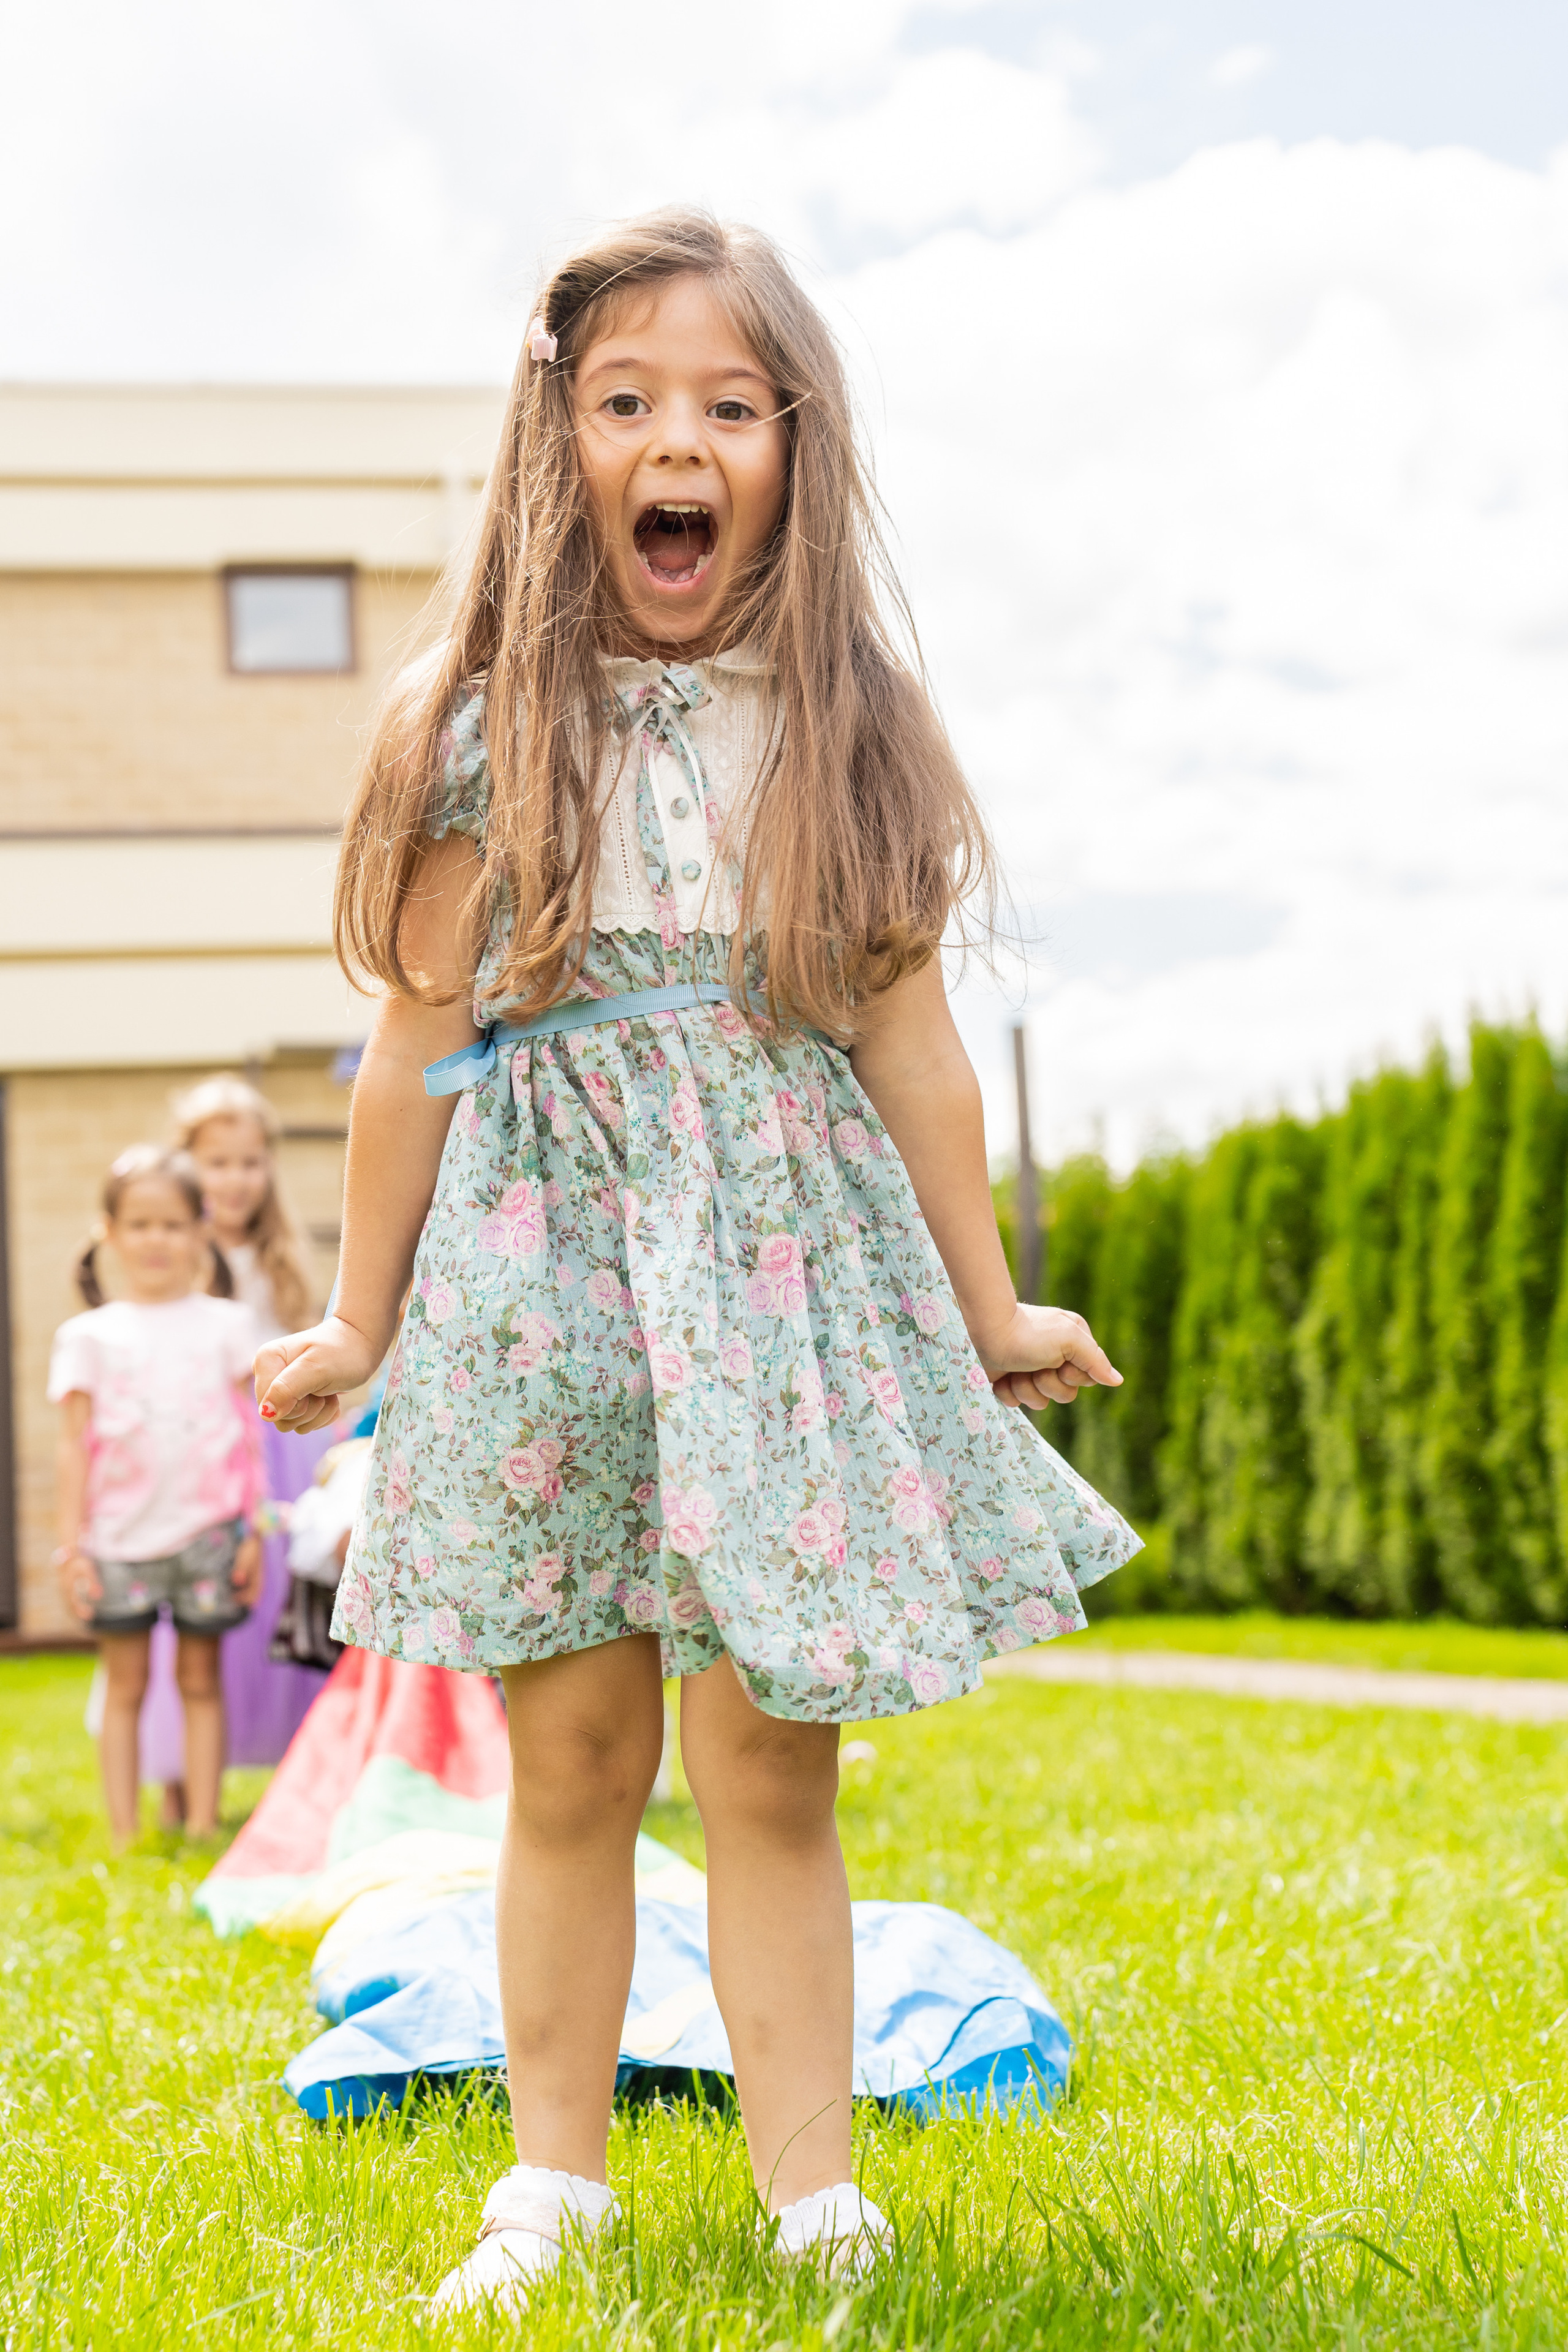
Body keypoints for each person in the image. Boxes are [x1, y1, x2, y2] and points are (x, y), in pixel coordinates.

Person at [256, 209, 1142, 2305]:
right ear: (562, 448)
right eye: (630, 402)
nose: (681, 440)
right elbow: (416, 1051)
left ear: (792, 454)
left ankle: (814, 2192)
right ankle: (547, 2189)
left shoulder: (843, 728)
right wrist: (360, 1317)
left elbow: (912, 1042)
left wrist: (990, 1296)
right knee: (568, 1757)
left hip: (775, 1290)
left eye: (729, 408)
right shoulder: (485, 723)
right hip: (550, 1281)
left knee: (768, 1757)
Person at [132, 1077, 334, 1823]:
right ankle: (178, 1783)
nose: (236, 1180)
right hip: (191, 1460)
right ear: (186, 1166)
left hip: (270, 1456)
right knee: (182, 1616)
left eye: (251, 1162)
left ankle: (288, 1786)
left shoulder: (280, 1256)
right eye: (217, 1163)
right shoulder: (170, 1255)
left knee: (270, 1610)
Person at [51, 1147, 263, 1847]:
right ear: (109, 1231)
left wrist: (255, 1530)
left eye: (172, 1224)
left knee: (201, 1681)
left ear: (201, 1229)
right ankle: (122, 1833)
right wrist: (69, 1548)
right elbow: (71, 1449)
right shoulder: (85, 1337)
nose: (156, 1239)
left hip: (210, 1535)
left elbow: (249, 1437)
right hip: (117, 1544)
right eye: (139, 1224)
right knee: (126, 1687)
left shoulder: (229, 1326)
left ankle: (202, 1825)